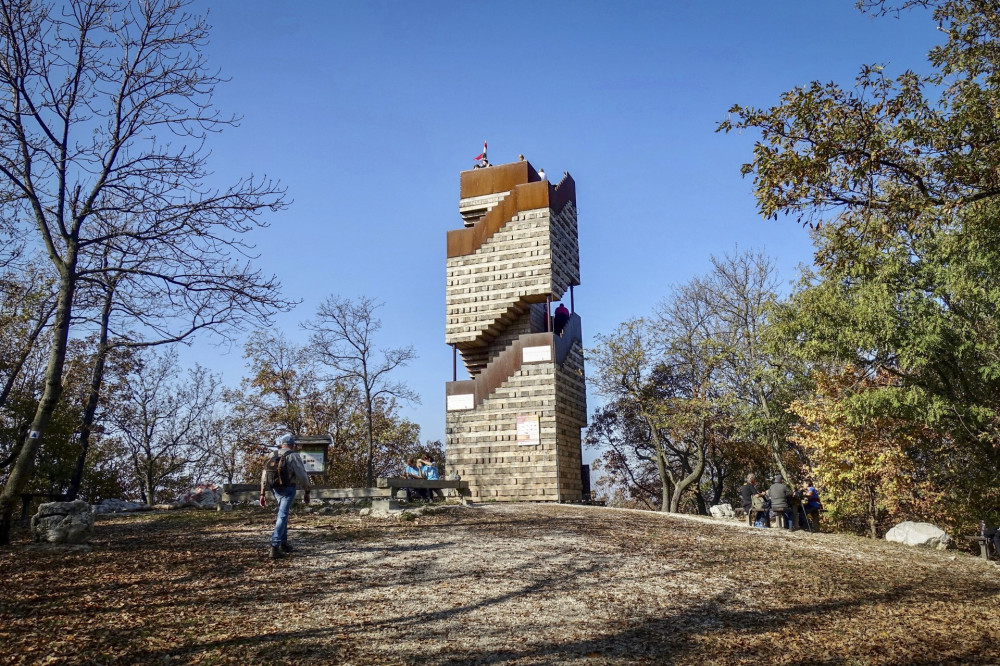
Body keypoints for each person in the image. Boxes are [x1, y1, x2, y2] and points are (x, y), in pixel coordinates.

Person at [259, 433, 310, 559]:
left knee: (283, 513)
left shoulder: (272, 455)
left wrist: (262, 493)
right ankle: (274, 545)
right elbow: (302, 475)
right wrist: (307, 491)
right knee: (282, 515)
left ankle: (283, 543)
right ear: (292, 445)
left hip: (275, 489)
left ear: (282, 444)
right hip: (288, 488)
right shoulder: (293, 455)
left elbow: (264, 476)